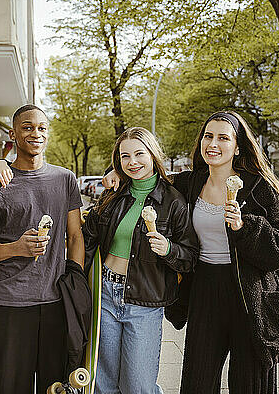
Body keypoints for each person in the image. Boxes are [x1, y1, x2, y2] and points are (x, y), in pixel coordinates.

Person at [103, 111, 279, 393]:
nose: (213, 144)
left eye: (223, 138)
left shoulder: (258, 187)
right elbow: (149, 176)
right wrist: (117, 173)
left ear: (238, 146)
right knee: (198, 380)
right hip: (205, 290)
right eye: (208, 136)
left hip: (250, 296)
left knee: (251, 383)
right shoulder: (190, 183)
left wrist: (245, 227)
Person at [78, 127, 197, 393]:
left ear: (153, 155)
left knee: (138, 386)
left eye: (139, 154)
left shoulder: (173, 202)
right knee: (104, 384)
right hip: (105, 295)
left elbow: (190, 257)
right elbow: (88, 237)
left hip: (144, 301)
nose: (133, 162)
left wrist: (168, 249)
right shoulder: (113, 194)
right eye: (125, 157)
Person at [0, 104, 85, 394]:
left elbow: (75, 237)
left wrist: (74, 283)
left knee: (55, 388)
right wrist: (16, 247)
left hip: (56, 303)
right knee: (11, 387)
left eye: (41, 128)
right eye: (27, 127)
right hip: (13, 304)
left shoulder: (65, 180)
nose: (36, 133)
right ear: (13, 133)